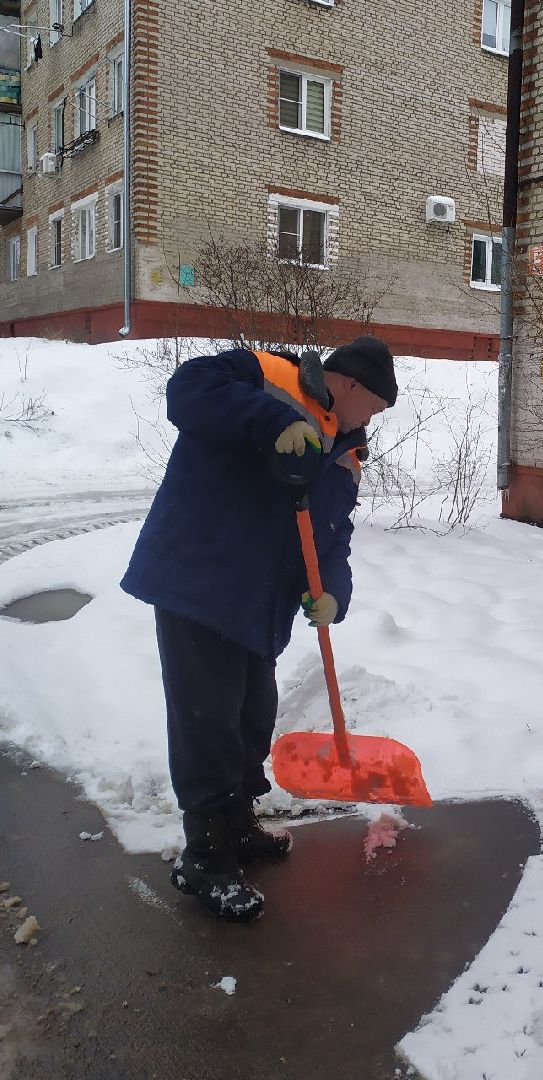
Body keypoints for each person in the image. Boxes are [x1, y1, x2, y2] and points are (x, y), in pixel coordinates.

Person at [121, 336, 397, 922]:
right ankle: (205, 858)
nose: (372, 419)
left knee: (250, 716)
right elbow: (186, 392)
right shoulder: (265, 374)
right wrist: (269, 421)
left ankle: (238, 826)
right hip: (201, 579)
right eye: (373, 405)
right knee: (206, 720)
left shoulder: (344, 452)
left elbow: (332, 538)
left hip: (258, 605)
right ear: (351, 386)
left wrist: (332, 594)